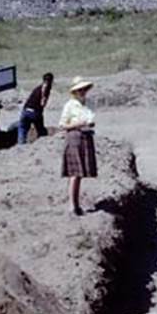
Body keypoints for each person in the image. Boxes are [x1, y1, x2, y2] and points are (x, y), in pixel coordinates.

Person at [59, 76, 97, 216]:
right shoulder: (69, 105)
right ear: (75, 92)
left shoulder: (89, 103)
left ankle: (75, 205)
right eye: (79, 90)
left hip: (86, 137)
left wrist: (88, 124)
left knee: (79, 174)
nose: (82, 92)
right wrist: (79, 124)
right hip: (74, 137)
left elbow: (91, 120)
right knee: (75, 174)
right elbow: (63, 125)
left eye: (84, 89)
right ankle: (72, 206)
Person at [18, 72, 54, 144]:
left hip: (26, 111)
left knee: (22, 129)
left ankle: (20, 145)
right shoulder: (47, 88)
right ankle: (42, 144)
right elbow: (42, 103)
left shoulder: (38, 88)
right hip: (35, 112)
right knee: (41, 130)